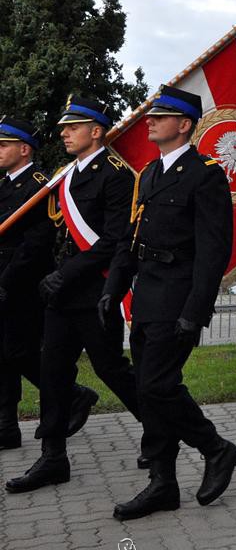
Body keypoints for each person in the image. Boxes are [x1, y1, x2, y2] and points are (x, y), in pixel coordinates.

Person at [101, 85, 236, 520]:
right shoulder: (150, 174)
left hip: (178, 294)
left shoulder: (205, 173)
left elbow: (214, 249)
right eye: (150, 117)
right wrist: (115, 284)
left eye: (159, 117)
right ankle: (162, 483)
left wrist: (195, 310)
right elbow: (133, 236)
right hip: (147, 293)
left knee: (155, 386)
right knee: (150, 389)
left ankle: (216, 448)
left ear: (183, 124)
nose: (149, 122)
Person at [6, 97, 147, 494]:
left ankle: (157, 431)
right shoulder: (65, 175)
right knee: (52, 371)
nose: (64, 133)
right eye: (63, 128)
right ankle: (53, 458)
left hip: (94, 290)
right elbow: (57, 233)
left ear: (97, 131)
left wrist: (64, 274)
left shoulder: (117, 175)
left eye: (73, 127)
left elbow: (113, 240)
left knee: (110, 368)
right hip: (61, 292)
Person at [0, 117, 96, 451]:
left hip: (23, 282)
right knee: (4, 355)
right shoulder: (5, 185)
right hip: (4, 277)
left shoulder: (39, 186)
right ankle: (7, 426)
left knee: (19, 351)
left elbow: (36, 241)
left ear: (24, 149)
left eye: (4, 144)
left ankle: (73, 395)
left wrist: (7, 280)